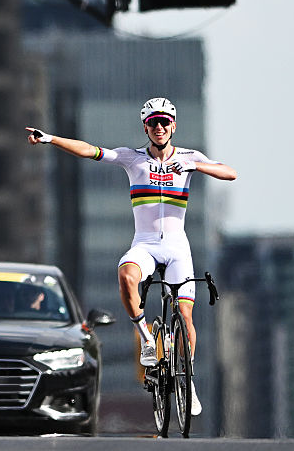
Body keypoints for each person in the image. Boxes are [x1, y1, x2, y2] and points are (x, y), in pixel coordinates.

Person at [26, 97, 236, 417]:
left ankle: (187, 381)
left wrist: (197, 165)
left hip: (178, 247)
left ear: (174, 126)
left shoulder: (189, 157)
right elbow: (90, 150)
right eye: (154, 123)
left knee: (186, 315)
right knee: (126, 275)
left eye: (165, 122)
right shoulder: (132, 159)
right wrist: (50, 138)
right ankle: (147, 340)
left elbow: (229, 173)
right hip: (146, 244)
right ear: (146, 127)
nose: (160, 127)